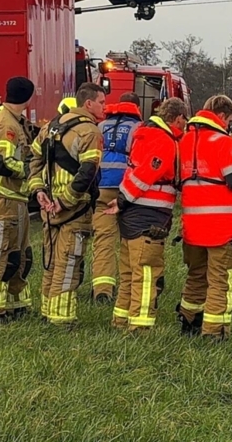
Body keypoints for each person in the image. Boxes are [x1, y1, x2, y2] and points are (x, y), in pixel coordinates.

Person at [27, 83, 106, 327]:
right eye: (102, 102)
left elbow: (34, 160)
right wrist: (66, 201)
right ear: (88, 103)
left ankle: (47, 311)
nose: (105, 107)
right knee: (69, 261)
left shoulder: (50, 127)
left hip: (48, 208)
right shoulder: (89, 132)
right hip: (74, 208)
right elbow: (88, 171)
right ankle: (62, 319)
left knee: (50, 260)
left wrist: (39, 191)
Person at [107, 97, 188, 331]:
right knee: (146, 273)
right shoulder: (164, 140)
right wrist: (123, 200)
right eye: (183, 120)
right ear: (177, 118)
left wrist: (123, 200)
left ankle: (120, 320)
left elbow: (134, 172)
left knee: (129, 272)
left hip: (132, 213)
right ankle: (140, 327)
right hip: (149, 214)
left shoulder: (145, 135)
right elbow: (148, 173)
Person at [176, 94, 232, 340]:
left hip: (191, 227)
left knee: (196, 275)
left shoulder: (185, 140)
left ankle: (188, 321)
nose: (228, 124)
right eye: (228, 120)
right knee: (221, 280)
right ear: (221, 116)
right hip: (221, 228)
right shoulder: (221, 141)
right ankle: (214, 332)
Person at [0, 77, 35, 322]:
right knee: (4, 256)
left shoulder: (16, 121)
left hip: (16, 197)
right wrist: (30, 170)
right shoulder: (5, 123)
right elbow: (1, 162)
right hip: (2, 197)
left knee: (21, 256)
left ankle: (15, 304)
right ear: (28, 97)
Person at [90, 92, 142, 304]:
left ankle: (102, 289)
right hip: (126, 190)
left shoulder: (100, 126)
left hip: (101, 186)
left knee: (103, 238)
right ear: (137, 108)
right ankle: (130, 287)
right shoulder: (138, 128)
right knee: (130, 239)